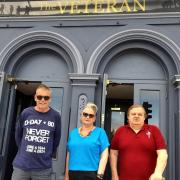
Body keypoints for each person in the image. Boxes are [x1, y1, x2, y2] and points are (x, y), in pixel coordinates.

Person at [11, 84, 61, 180]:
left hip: (43, 168)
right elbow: (18, 135)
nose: (42, 100)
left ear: (50, 99)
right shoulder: (26, 113)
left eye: (46, 98)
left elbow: (56, 139)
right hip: (22, 166)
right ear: (35, 98)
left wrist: (47, 153)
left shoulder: (55, 116)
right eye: (39, 97)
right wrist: (23, 150)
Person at [110, 104, 168, 180]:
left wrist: (158, 173)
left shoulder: (154, 130)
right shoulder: (120, 131)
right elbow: (113, 154)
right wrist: (114, 175)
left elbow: (162, 153)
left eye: (140, 114)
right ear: (128, 116)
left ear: (144, 117)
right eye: (133, 114)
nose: (136, 116)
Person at [65, 102, 109, 180]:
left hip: (91, 174)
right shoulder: (73, 133)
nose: (88, 117)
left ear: (94, 119)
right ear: (81, 116)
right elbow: (69, 154)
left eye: (91, 115)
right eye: (85, 114)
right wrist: (66, 175)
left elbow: (104, 155)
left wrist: (99, 175)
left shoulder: (100, 132)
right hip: (73, 173)